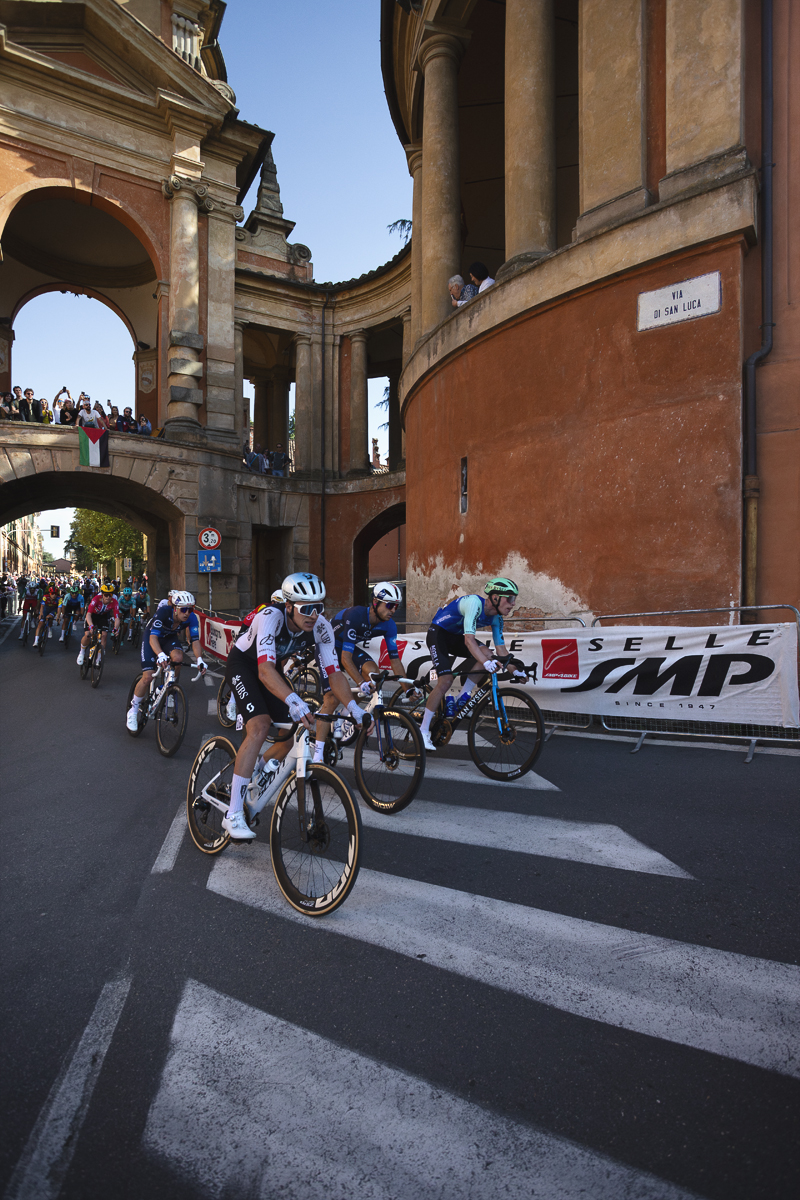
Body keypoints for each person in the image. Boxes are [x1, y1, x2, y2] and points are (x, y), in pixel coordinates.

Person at [220, 573, 365, 841]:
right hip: (244, 665)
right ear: (288, 606)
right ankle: (233, 813)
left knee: (292, 733)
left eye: (318, 607)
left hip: (271, 669)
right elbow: (264, 671)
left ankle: (253, 771)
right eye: (306, 609)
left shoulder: (321, 627)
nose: (313, 615)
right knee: (260, 726)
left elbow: (334, 673)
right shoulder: (270, 617)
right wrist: (294, 700)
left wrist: (354, 708)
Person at [419, 577, 526, 751]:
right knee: (445, 681)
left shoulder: (497, 618)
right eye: (510, 598)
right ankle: (423, 730)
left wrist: (515, 670)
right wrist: (485, 662)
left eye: (514, 599)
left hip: (456, 637)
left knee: (488, 654)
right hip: (439, 634)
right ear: (495, 597)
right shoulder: (474, 604)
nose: (513, 604)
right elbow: (469, 641)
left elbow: (501, 650)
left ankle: (463, 696)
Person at [313, 582, 414, 763]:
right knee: (331, 698)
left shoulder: (389, 625)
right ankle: (318, 756)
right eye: (390, 605)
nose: (393, 610)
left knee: (373, 675)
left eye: (396, 606)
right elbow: (345, 658)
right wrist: (360, 683)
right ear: (375, 602)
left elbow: (395, 661)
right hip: (328, 647)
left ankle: (345, 713)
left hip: (345, 648)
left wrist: (408, 689)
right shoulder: (356, 615)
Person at [126, 590, 207, 729]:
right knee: (148, 676)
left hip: (169, 638)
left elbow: (195, 640)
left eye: (190, 609)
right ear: (175, 608)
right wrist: (160, 654)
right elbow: (153, 638)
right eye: (183, 609)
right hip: (153, 637)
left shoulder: (192, 618)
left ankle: (167, 688)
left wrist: (199, 659)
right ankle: (133, 710)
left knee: (178, 658)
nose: (187, 613)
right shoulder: (164, 612)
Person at [77, 582, 120, 664]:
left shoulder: (114, 602)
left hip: (102, 617)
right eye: (106, 595)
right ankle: (81, 653)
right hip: (92, 616)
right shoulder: (96, 599)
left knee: (104, 635)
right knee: (88, 634)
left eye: (110, 595)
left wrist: (116, 628)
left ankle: (99, 658)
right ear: (102, 594)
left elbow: (117, 618)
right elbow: (88, 614)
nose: (108, 597)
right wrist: (91, 625)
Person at [33, 579, 61, 647]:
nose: (54, 595)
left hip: (53, 609)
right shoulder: (45, 597)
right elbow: (42, 606)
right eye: (52, 594)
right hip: (46, 608)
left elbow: (59, 608)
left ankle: (49, 628)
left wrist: (58, 617)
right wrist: (41, 614)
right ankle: (36, 641)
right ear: (49, 593)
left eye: (55, 594)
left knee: (49, 617)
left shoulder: (59, 599)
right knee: (40, 624)